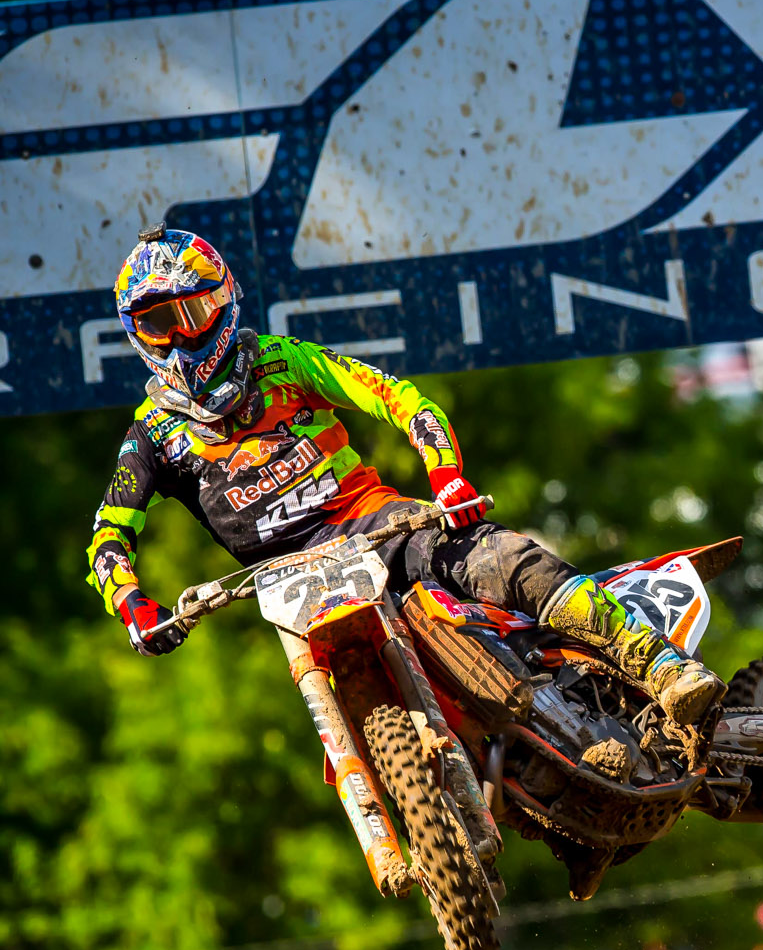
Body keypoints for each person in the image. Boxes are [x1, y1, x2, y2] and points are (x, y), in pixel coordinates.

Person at [89, 228, 722, 727]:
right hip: (288, 586)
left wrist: (446, 477)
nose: (179, 337)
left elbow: (400, 399)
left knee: (498, 558)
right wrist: (132, 603)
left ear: (223, 302)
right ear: (136, 334)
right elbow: (108, 533)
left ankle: (660, 665)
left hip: (375, 527)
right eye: (157, 324)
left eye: (191, 312)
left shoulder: (286, 362)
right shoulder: (152, 435)